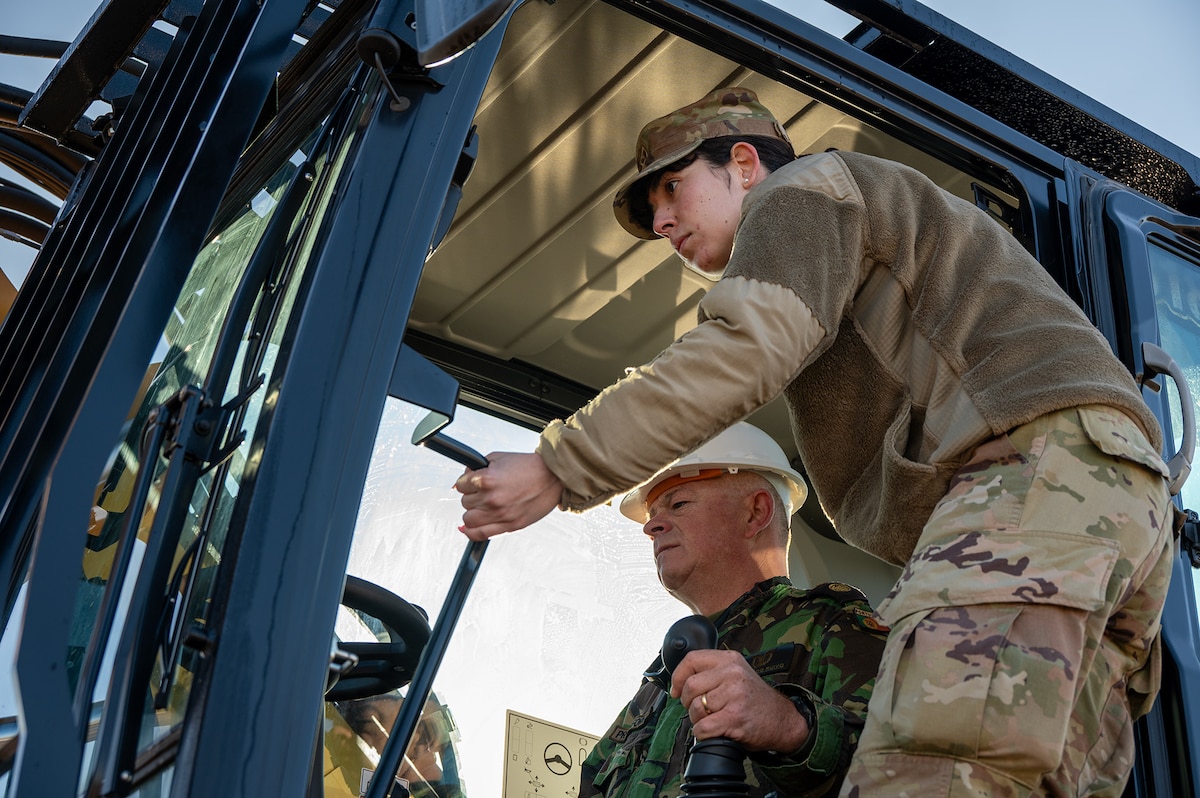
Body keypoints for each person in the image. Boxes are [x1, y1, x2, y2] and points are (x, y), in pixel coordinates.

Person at [455, 86, 1175, 796]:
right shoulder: (852, 250)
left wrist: (558, 465)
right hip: (1105, 501)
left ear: (742, 164)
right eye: (653, 216)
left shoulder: (803, 190)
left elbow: (744, 347)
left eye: (672, 190)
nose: (664, 223)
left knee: (924, 777)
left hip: (1037, 475)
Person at [581, 422, 888, 798]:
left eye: (678, 504)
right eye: (652, 514)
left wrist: (788, 726)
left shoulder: (830, 624)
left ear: (755, 512)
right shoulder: (657, 685)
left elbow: (901, 770)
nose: (653, 526)